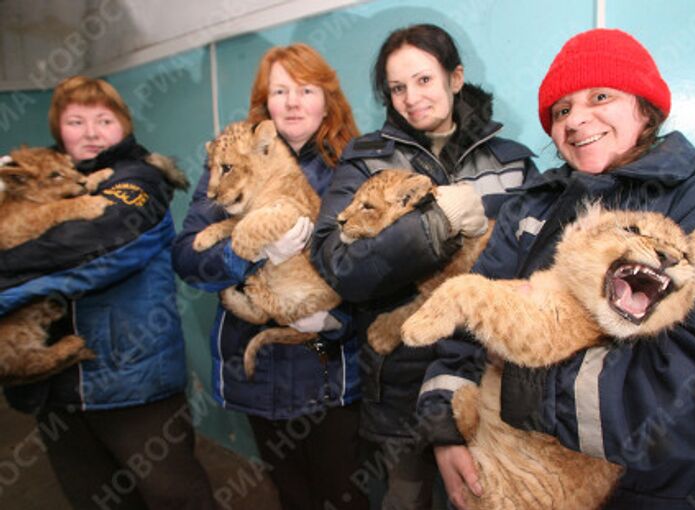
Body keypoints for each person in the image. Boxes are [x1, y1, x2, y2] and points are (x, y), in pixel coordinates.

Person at [417, 28, 695, 510]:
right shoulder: (533, 205)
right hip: (512, 483)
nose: (577, 120)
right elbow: (465, 325)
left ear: (645, 107)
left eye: (600, 96)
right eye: (561, 110)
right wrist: (445, 428)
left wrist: (523, 386)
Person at [311, 24, 537, 509]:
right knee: (406, 495)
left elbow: (538, 265)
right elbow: (337, 263)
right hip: (402, 382)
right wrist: (438, 224)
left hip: (491, 376)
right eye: (397, 88)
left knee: (489, 495)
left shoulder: (514, 162)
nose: (411, 98)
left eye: (424, 80)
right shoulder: (366, 161)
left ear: (455, 78)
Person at [0, 76, 215, 509]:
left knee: (176, 496)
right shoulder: (44, 180)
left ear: (124, 126)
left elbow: (86, 251)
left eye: (104, 119)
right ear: (59, 130)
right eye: (76, 121)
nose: (92, 132)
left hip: (130, 381)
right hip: (55, 383)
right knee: (95, 499)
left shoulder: (139, 179)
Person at [172, 43, 367, 510]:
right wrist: (249, 256)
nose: (294, 101)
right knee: (291, 494)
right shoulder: (228, 159)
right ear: (265, 103)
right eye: (280, 91)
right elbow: (186, 256)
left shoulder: (355, 165)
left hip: (329, 368)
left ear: (327, 98)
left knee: (344, 493)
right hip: (258, 376)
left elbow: (376, 270)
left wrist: (339, 323)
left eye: (306, 89)